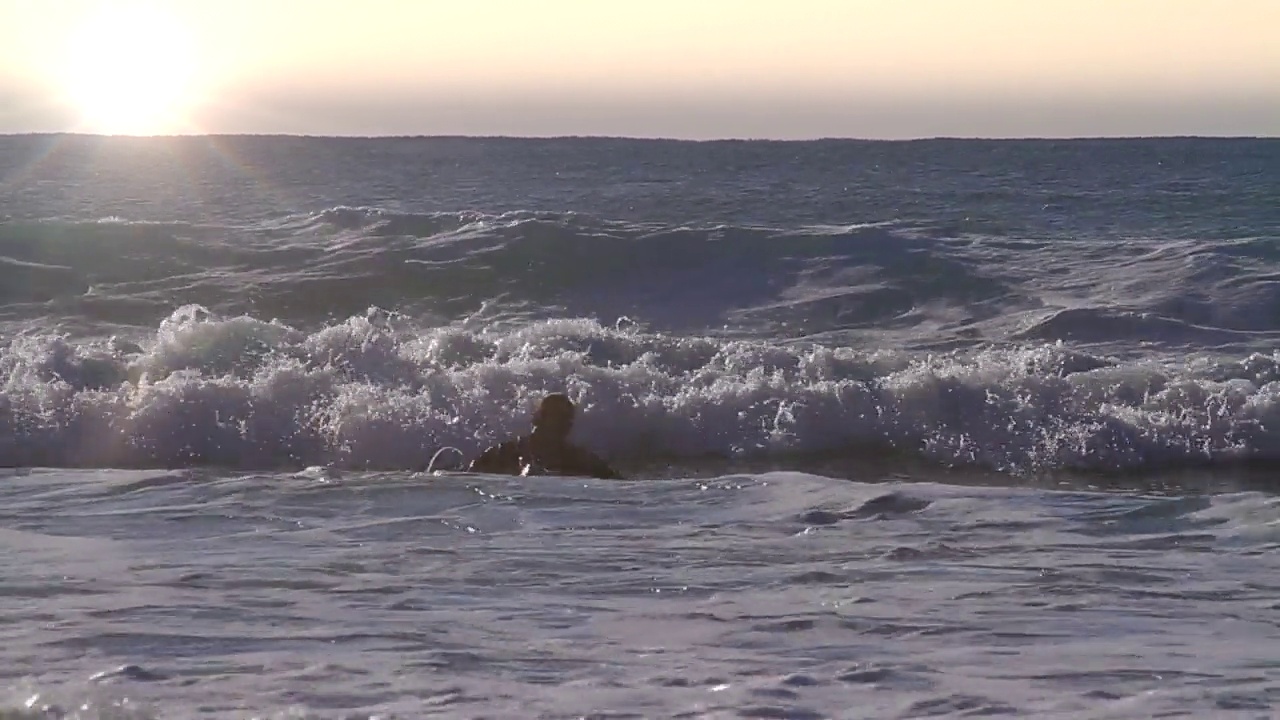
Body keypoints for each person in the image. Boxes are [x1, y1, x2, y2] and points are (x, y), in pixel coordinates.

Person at [468, 393, 622, 479]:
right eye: (559, 417)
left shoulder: (577, 458)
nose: (566, 424)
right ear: (539, 418)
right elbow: (470, 478)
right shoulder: (507, 451)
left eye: (568, 419)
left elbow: (616, 482)